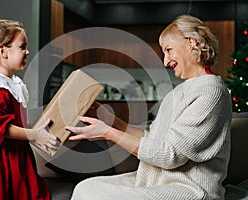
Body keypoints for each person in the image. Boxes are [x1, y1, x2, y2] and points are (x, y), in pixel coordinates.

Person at [65, 14, 232, 200]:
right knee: (86, 187)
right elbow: (151, 139)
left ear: (190, 43)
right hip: (157, 180)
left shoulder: (211, 92)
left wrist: (107, 133)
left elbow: (169, 155)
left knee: (90, 193)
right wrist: (109, 120)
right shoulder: (175, 93)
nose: (166, 62)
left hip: (189, 189)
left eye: (169, 50)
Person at [0, 19, 60, 200]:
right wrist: (34, 135)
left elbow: (16, 119)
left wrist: (37, 129)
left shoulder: (11, 84)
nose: (27, 51)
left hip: (14, 153)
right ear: (3, 51)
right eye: (22, 47)